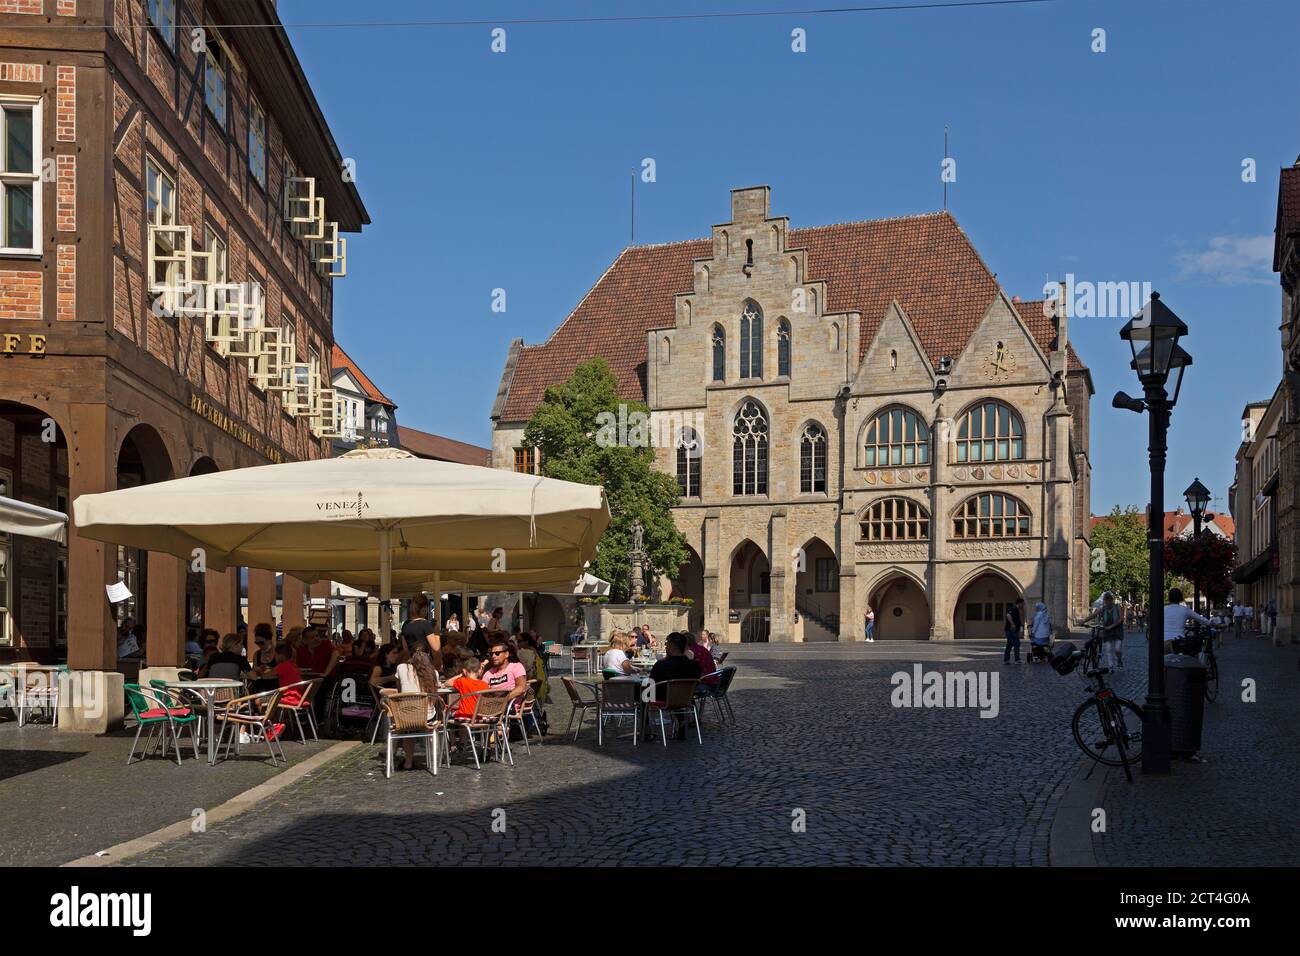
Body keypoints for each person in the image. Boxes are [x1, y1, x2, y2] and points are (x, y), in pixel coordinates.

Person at [394, 642, 442, 770]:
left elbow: (399, 690)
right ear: (428, 655)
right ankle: (434, 759)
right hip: (427, 717)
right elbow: (434, 697)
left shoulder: (401, 668)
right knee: (436, 715)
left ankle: (408, 762)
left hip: (405, 716)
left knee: (407, 728)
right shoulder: (434, 673)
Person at [648, 633, 702, 739]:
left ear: (671, 646)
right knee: (676, 694)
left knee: (642, 695)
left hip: (663, 698)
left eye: (667, 644)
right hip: (686, 699)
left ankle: (646, 730)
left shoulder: (661, 665)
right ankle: (681, 720)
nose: (666, 647)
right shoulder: (694, 665)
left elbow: (651, 682)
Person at [482, 639, 529, 713]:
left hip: (508, 707)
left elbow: (521, 688)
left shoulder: (516, 667)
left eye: (497, 653)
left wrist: (502, 701)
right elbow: (481, 691)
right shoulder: (488, 673)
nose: (493, 656)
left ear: (506, 654)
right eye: (492, 654)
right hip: (491, 707)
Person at [1081, 592, 1124, 669]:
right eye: (1106, 600)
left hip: (1117, 630)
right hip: (1107, 631)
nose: (1107, 602)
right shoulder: (1103, 608)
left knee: (1117, 649)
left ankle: (1119, 660)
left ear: (1112, 600)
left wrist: (1111, 626)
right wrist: (1083, 621)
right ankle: (1110, 666)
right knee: (1108, 649)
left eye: (1109, 600)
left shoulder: (1117, 607)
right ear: (1104, 601)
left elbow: (1121, 619)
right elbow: (1093, 615)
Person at [1163, 587, 1211, 652]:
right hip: (1177, 642)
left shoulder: (1163, 609)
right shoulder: (1185, 610)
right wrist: (1215, 624)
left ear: (1169, 597)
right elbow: (1202, 619)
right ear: (1180, 597)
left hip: (1162, 641)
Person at [401, 593, 440, 661]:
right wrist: (437, 633)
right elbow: (436, 648)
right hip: (424, 663)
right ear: (424, 608)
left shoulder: (405, 624)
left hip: (411, 661)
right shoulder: (425, 624)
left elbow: (406, 649)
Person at [450, 656, 489, 720]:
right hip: (479, 717)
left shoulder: (462, 681)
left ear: (464, 671)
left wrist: (461, 675)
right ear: (479, 670)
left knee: (448, 714)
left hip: (465, 717)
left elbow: (447, 683)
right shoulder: (485, 685)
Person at [1002, 597, 1025, 664]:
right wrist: (1013, 624)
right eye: (1022, 604)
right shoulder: (1013, 608)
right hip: (1011, 630)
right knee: (1016, 644)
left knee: (1009, 645)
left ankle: (1006, 660)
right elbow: (1008, 615)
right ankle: (1017, 660)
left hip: (1012, 630)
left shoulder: (1016, 609)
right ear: (1019, 603)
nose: (1023, 605)